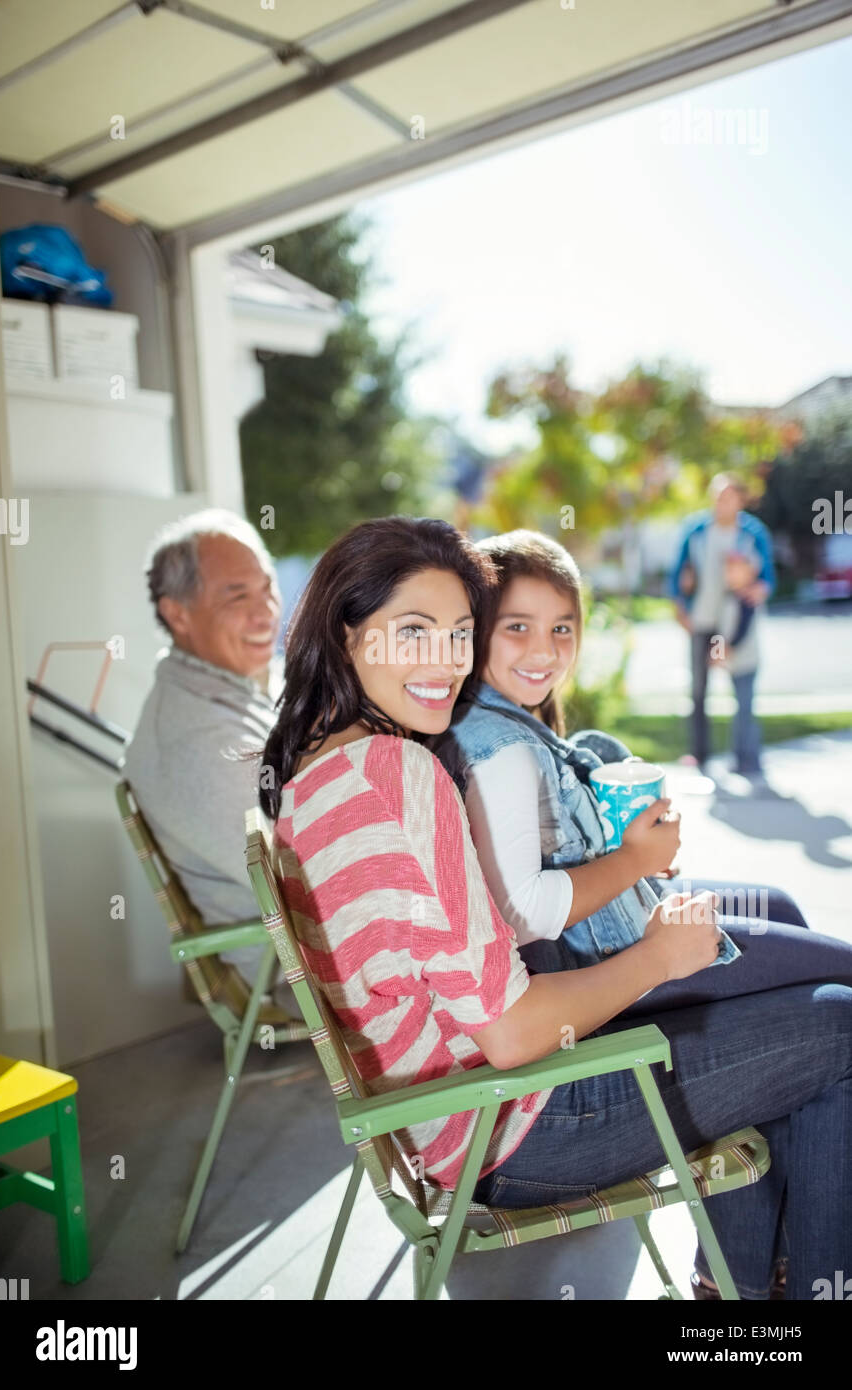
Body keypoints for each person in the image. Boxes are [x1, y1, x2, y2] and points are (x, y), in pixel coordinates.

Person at [258, 514, 852, 1301]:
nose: (445, 661)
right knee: (840, 1025)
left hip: (449, 1121)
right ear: (346, 635)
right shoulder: (399, 775)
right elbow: (511, 1033)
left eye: (459, 632)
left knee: (794, 1018)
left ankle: (745, 1291)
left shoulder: (310, 777)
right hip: (512, 1130)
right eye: (413, 631)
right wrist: (657, 960)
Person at [124, 509, 281, 982]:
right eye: (237, 596)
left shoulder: (233, 686)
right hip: (303, 975)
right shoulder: (198, 737)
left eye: (267, 588)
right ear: (178, 613)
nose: (266, 613)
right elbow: (303, 880)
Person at [669, 473, 775, 776]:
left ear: (740, 499)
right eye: (717, 495)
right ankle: (700, 754)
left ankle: (746, 758)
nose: (720, 501)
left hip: (733, 620)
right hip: (702, 621)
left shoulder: (754, 533)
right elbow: (678, 572)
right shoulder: (695, 530)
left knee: (741, 687)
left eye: (727, 495)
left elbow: (767, 576)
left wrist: (759, 589)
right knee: (699, 690)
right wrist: (679, 604)